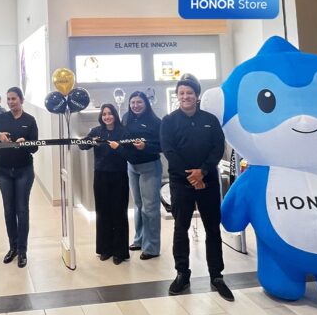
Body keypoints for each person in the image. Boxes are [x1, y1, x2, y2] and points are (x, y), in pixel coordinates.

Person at [160, 74, 234, 301]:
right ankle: (182, 274)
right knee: (180, 228)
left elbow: (217, 148)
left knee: (212, 229)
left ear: (197, 95)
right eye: (182, 93)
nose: (186, 97)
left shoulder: (210, 120)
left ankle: (216, 276)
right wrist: (192, 177)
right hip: (180, 183)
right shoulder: (169, 121)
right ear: (177, 95)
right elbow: (169, 151)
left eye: (190, 93)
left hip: (208, 181)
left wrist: (202, 172)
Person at [0, 87, 38, 268]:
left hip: (24, 171)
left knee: (22, 209)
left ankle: (22, 250)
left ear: (21, 100)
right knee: (9, 210)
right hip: (4, 171)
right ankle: (13, 247)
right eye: (9, 99)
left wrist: (25, 143)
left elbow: (35, 147)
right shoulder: (1, 118)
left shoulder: (30, 120)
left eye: (14, 98)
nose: (11, 102)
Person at [79, 104, 131, 265]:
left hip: (119, 176)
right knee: (102, 212)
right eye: (104, 114)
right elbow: (82, 145)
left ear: (115, 115)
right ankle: (105, 249)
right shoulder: (96, 131)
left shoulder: (123, 132)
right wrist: (90, 141)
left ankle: (120, 252)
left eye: (110, 113)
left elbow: (129, 154)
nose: (107, 117)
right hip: (100, 176)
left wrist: (118, 147)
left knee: (119, 212)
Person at [122, 90, 163, 260]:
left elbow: (162, 146)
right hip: (132, 167)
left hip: (150, 167)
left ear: (146, 103)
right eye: (133, 102)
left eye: (139, 102)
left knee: (150, 208)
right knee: (138, 205)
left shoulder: (156, 122)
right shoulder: (126, 118)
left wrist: (145, 147)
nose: (136, 105)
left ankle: (152, 247)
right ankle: (139, 239)